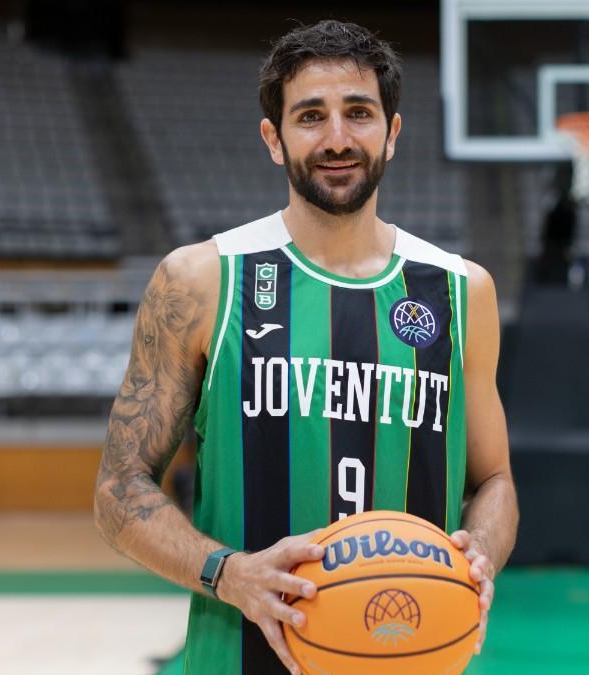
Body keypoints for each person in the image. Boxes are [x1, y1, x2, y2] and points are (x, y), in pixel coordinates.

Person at [93, 20, 518, 675]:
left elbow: (493, 480)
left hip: (410, 652)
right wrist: (227, 572)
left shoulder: (462, 291)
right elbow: (119, 488)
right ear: (274, 138)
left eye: (359, 113)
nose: (337, 138)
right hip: (238, 658)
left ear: (392, 132)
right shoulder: (202, 280)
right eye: (311, 116)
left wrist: (479, 553)